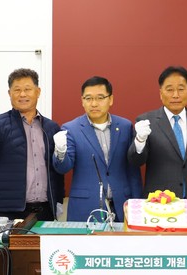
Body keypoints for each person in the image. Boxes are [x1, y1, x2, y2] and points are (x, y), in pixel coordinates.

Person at [128, 66, 187, 221]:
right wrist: (140, 140)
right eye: (169, 89)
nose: (175, 95)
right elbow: (135, 161)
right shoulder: (146, 121)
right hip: (160, 205)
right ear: (161, 93)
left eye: (181, 89)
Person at [0, 68, 64, 221]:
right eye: (17, 90)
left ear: (38, 92)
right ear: (9, 93)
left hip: (45, 210)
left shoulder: (51, 127)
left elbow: (56, 170)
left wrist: (59, 198)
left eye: (27, 89)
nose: (22, 94)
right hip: (9, 211)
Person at [52, 76, 142, 222]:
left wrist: (138, 203)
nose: (94, 103)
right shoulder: (71, 129)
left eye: (100, 98)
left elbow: (133, 170)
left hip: (122, 205)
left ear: (110, 99)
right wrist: (60, 152)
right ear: (82, 101)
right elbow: (63, 168)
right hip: (86, 207)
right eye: (88, 98)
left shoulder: (125, 126)